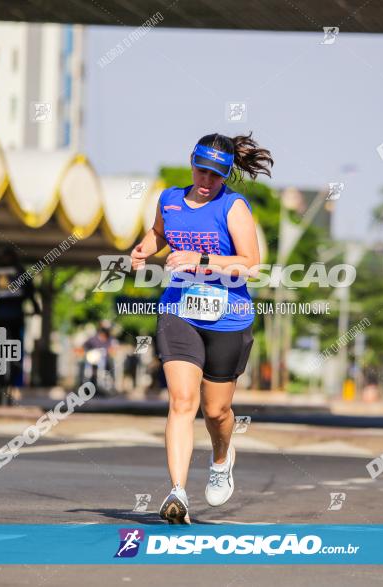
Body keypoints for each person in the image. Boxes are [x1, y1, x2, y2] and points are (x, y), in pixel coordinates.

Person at [130, 132, 272, 524]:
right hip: (181, 312)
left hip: (228, 317)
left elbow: (251, 264)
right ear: (191, 163)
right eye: (201, 170)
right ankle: (177, 492)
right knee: (181, 401)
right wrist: (145, 248)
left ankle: (222, 457)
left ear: (226, 174)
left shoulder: (233, 207)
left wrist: (202, 259)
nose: (206, 181)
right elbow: (160, 233)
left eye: (215, 175)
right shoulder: (170, 199)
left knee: (216, 410)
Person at [0, 247, 40, 405]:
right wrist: (36, 309)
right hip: (15, 318)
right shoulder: (20, 271)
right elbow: (30, 293)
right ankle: (15, 384)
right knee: (17, 351)